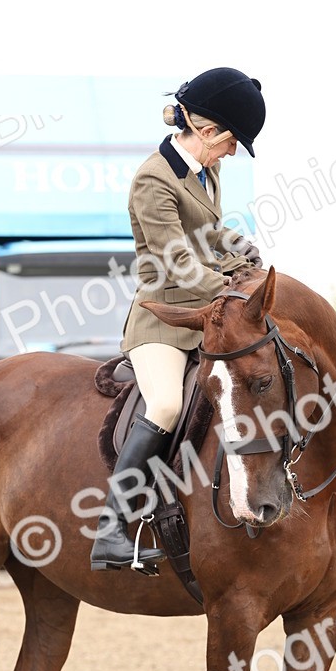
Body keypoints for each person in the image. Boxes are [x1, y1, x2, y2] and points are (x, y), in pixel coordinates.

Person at [90, 67, 267, 574]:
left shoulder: (206, 170)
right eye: (231, 142)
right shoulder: (153, 178)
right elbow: (177, 263)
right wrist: (235, 291)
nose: (233, 153)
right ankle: (110, 529)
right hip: (162, 322)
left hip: (207, 316)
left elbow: (209, 236)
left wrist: (245, 256)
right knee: (167, 404)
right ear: (208, 131)